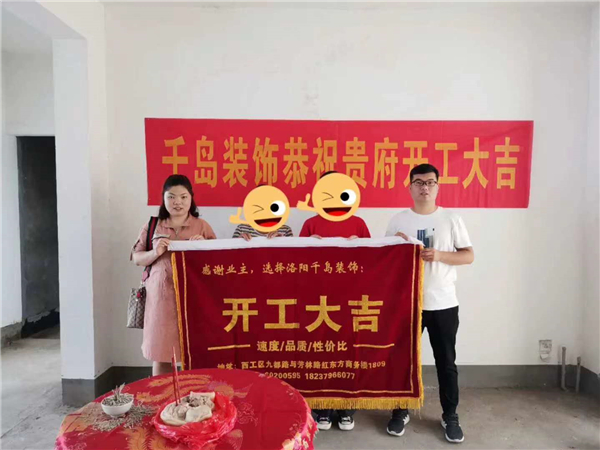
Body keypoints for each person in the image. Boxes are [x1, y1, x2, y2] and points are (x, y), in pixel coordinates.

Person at [385, 163, 474, 444]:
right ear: (410, 186)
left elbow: (468, 255)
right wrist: (397, 248)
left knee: (446, 362)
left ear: (437, 186)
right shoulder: (398, 220)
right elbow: (386, 261)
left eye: (430, 182)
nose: (425, 187)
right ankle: (400, 410)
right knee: (403, 360)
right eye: (419, 182)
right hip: (407, 303)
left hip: (443, 302)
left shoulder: (451, 218)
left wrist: (440, 256)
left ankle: (450, 415)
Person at [298, 171, 371, 431]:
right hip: (318, 299)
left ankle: (347, 409)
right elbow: (294, 263)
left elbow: (373, 261)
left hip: (350, 297)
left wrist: (359, 246)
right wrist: (308, 245)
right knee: (321, 351)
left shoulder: (359, 223)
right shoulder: (310, 224)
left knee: (349, 351)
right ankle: (322, 409)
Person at [131, 175, 216, 376]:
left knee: (194, 351)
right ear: (164, 199)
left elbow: (217, 264)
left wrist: (204, 247)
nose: (178, 202)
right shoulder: (153, 225)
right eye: (171, 197)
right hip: (160, 300)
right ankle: (162, 393)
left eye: (183, 197)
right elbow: (136, 258)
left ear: (191, 198)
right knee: (162, 353)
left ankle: (192, 392)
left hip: (193, 300)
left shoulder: (202, 226)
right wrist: (155, 252)